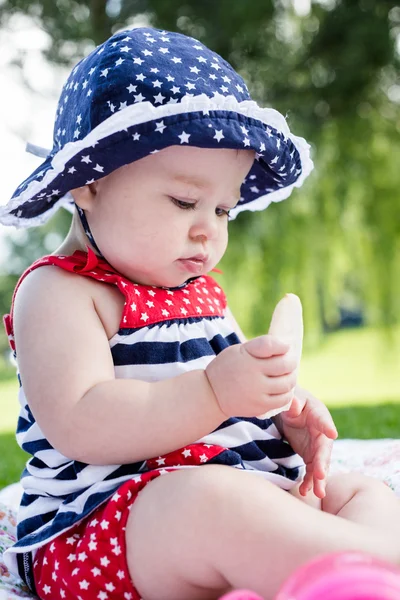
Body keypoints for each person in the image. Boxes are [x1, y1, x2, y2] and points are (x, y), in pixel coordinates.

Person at [0, 26, 399, 600]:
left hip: (230, 493)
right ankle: (344, 576)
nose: (207, 229)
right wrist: (214, 393)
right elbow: (82, 420)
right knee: (207, 504)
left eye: (224, 209)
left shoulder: (200, 292)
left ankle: (357, 567)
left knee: (359, 493)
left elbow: (232, 393)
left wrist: (281, 412)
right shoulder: (61, 292)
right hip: (103, 528)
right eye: (185, 201)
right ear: (89, 183)